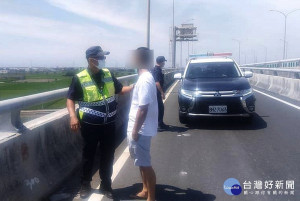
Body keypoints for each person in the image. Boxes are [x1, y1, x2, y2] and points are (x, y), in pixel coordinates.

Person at [66, 46, 133, 199]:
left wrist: (137, 86)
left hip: (109, 124)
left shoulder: (108, 74)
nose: (104, 60)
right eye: (101, 57)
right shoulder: (80, 77)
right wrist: (72, 116)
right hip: (89, 126)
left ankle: (106, 184)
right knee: (88, 155)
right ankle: (85, 184)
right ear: (91, 60)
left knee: (108, 155)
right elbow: (70, 98)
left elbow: (120, 90)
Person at [127, 47, 158, 201]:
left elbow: (143, 109)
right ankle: (145, 189)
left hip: (141, 130)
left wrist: (135, 131)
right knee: (141, 161)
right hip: (140, 128)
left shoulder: (145, 79)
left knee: (145, 164)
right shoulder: (144, 78)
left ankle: (151, 197)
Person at [151, 56, 169, 130]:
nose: (164, 63)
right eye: (164, 62)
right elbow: (157, 83)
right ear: (161, 62)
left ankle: (161, 123)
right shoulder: (157, 70)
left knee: (160, 108)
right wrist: (162, 93)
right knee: (160, 108)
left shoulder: (156, 69)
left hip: (156, 92)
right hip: (157, 92)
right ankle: (158, 125)